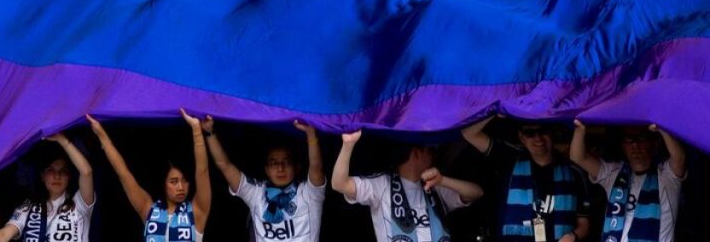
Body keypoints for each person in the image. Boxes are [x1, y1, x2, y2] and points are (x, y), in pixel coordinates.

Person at [332, 130, 483, 242]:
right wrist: (348, 144)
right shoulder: (382, 185)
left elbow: (476, 193)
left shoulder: (435, 186)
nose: (434, 156)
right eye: (430, 151)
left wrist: (443, 180)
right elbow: (340, 184)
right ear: (416, 153)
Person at [88, 110, 211, 242]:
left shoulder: (197, 211)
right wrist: (101, 134)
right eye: (173, 182)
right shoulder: (148, 209)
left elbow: (202, 170)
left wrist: (196, 130)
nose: (181, 187)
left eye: (185, 181)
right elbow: (123, 173)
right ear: (163, 183)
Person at [461, 117, 590, 242]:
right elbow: (469, 133)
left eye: (543, 131)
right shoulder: (509, 158)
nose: (538, 138)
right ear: (521, 137)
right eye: (530, 133)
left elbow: (584, 224)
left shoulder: (574, 171)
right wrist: (495, 112)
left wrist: (572, 236)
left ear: (552, 133)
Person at [203, 117, 325, 242]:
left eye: (287, 162)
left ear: (297, 167)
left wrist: (311, 134)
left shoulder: (310, 194)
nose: (280, 168)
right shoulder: (256, 193)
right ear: (266, 169)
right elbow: (225, 165)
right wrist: (209, 132)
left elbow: (316, 166)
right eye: (274, 163)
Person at [570, 121, 686, 242]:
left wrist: (662, 128)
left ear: (654, 143)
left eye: (641, 138)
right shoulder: (614, 173)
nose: (635, 145)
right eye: (629, 139)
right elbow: (578, 157)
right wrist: (580, 127)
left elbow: (679, 157)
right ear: (622, 145)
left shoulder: (667, 176)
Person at [0, 133, 95, 242]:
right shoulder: (28, 206)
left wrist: (63, 140)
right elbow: (4, 234)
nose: (57, 176)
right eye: (51, 170)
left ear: (69, 177)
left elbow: (86, 172)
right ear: (42, 176)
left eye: (63, 171)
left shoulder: (80, 203)